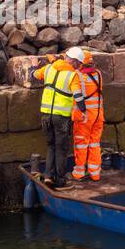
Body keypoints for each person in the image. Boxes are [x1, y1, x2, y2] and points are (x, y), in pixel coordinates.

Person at [31, 47, 84, 189]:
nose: (79, 67)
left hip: (46, 115)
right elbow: (78, 96)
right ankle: (60, 180)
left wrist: (33, 66)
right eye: (79, 64)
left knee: (51, 146)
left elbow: (34, 75)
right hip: (61, 118)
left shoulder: (48, 68)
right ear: (73, 61)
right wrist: (83, 110)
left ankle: (48, 176)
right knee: (61, 148)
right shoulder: (73, 76)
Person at [71, 50, 105, 182]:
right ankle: (95, 173)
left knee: (81, 144)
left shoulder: (77, 76)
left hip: (84, 117)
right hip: (98, 115)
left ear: (80, 62)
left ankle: (79, 172)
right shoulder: (99, 74)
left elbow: (77, 95)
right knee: (95, 144)